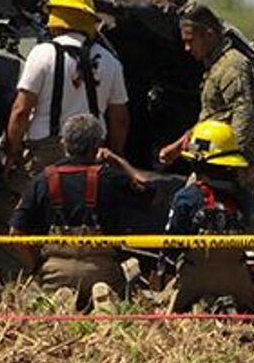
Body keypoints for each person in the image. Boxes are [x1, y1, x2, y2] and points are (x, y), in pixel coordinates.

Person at [9, 111, 154, 308]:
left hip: (55, 272)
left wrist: (36, 265)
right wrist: (118, 161)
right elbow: (148, 190)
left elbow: (16, 232)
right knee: (131, 279)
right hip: (103, 271)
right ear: (98, 145)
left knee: (32, 298)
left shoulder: (42, 180)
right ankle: (101, 301)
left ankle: (64, 300)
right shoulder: (111, 178)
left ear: (64, 143)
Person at [4, 0, 129, 174]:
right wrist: (114, 156)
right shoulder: (110, 61)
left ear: (54, 17)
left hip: (46, 153)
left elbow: (21, 110)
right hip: (93, 154)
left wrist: (12, 153)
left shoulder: (42, 54)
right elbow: (120, 120)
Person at [159, 6, 254, 185]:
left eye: (191, 41)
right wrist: (178, 146)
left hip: (226, 164)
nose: (186, 48)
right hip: (212, 159)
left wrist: (231, 163)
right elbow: (212, 116)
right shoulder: (215, 67)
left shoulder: (232, 66)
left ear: (209, 34)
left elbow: (243, 114)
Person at [165, 117, 254, 313]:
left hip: (194, 282)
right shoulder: (246, 198)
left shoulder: (186, 198)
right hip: (237, 284)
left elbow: (171, 246)